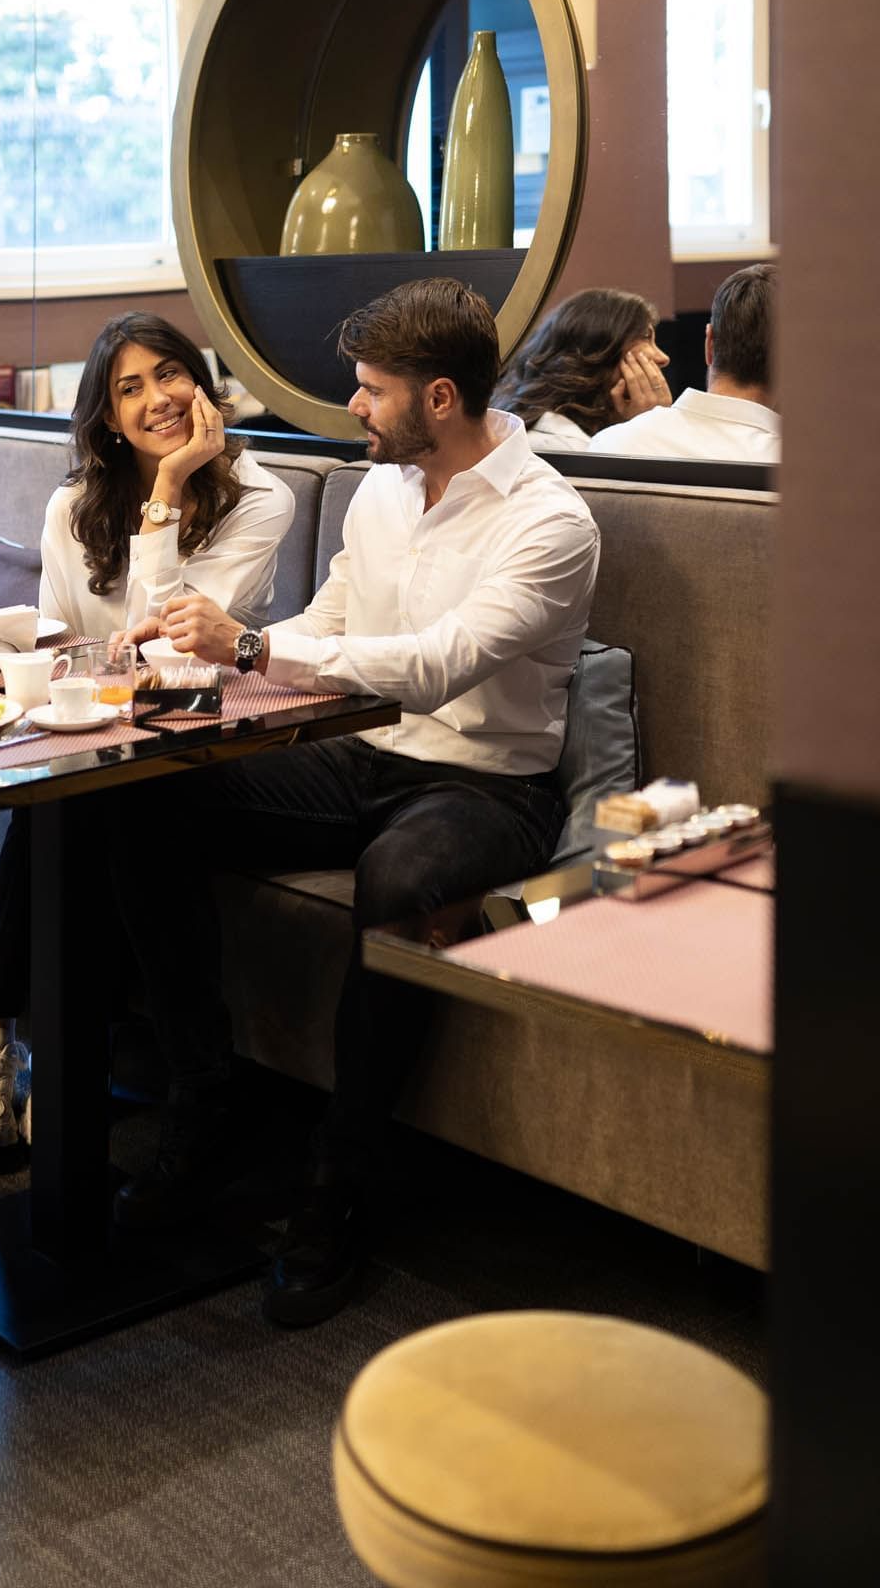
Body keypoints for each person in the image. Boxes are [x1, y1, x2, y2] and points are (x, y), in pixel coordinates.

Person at [97, 278, 601, 1327]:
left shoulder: (550, 522)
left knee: (402, 877)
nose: (354, 409)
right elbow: (336, 613)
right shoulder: (379, 487)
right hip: (351, 755)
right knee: (139, 795)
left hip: (485, 787)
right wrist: (211, 674)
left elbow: (429, 666)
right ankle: (205, 1100)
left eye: (371, 392)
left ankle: (341, 1185)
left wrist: (245, 646)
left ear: (439, 399)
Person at [0, 313, 296, 1156]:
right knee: (61, 794)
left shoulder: (261, 496)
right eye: (127, 387)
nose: (155, 398)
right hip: (95, 727)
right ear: (104, 414)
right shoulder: (72, 505)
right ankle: (3, 1052)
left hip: (201, 736)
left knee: (80, 797)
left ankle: (9, 1043)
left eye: (169, 373)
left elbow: (167, 642)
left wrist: (169, 487)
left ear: (200, 382)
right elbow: (63, 644)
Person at [587, 263, 778, 462]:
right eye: (646, 336)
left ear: (709, 344)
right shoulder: (799, 469)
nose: (663, 358)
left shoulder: (611, 445)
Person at [492, 286, 670, 451]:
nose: (663, 358)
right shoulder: (558, 446)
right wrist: (649, 428)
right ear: (597, 349)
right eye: (646, 337)